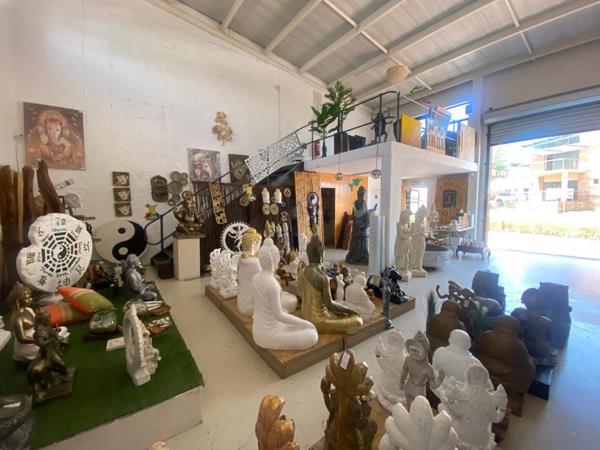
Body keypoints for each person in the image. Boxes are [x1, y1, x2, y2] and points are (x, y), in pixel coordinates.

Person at [345, 186, 376, 265]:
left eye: (362, 193)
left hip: (359, 227)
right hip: (359, 227)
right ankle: (357, 257)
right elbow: (361, 214)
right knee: (357, 242)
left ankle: (358, 257)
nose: (361, 195)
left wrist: (362, 223)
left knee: (360, 243)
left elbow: (363, 214)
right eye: (361, 193)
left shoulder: (359, 203)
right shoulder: (359, 203)